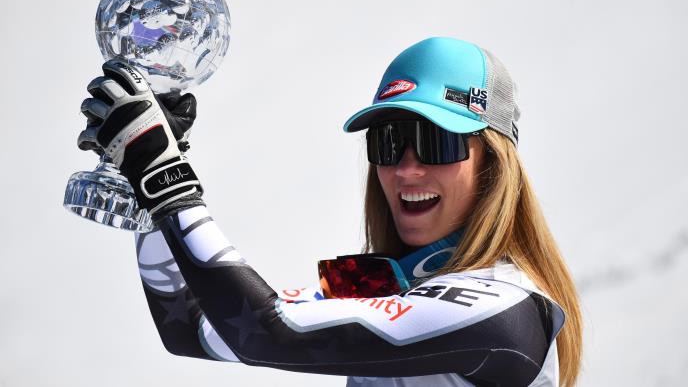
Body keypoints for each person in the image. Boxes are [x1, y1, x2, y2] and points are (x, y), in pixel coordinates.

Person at [78, 37, 583, 386]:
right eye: (388, 142)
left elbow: (267, 330)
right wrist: (145, 186)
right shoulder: (390, 283)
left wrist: (164, 175)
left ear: (493, 163)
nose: (407, 169)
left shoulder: (504, 307)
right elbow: (192, 327)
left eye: (436, 142)